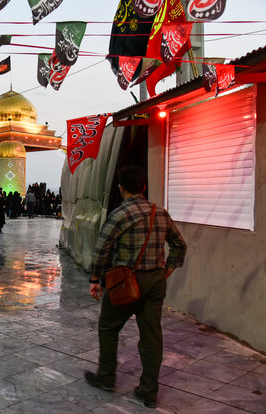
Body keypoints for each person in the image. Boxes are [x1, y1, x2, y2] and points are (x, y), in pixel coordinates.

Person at [84, 165, 187, 409]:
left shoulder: (120, 215)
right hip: (155, 282)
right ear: (143, 187)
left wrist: (95, 279)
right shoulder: (159, 212)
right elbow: (180, 245)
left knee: (109, 326)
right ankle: (149, 391)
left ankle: (107, 377)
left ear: (121, 188)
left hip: (125, 282)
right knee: (151, 335)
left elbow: (102, 249)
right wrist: (167, 270)